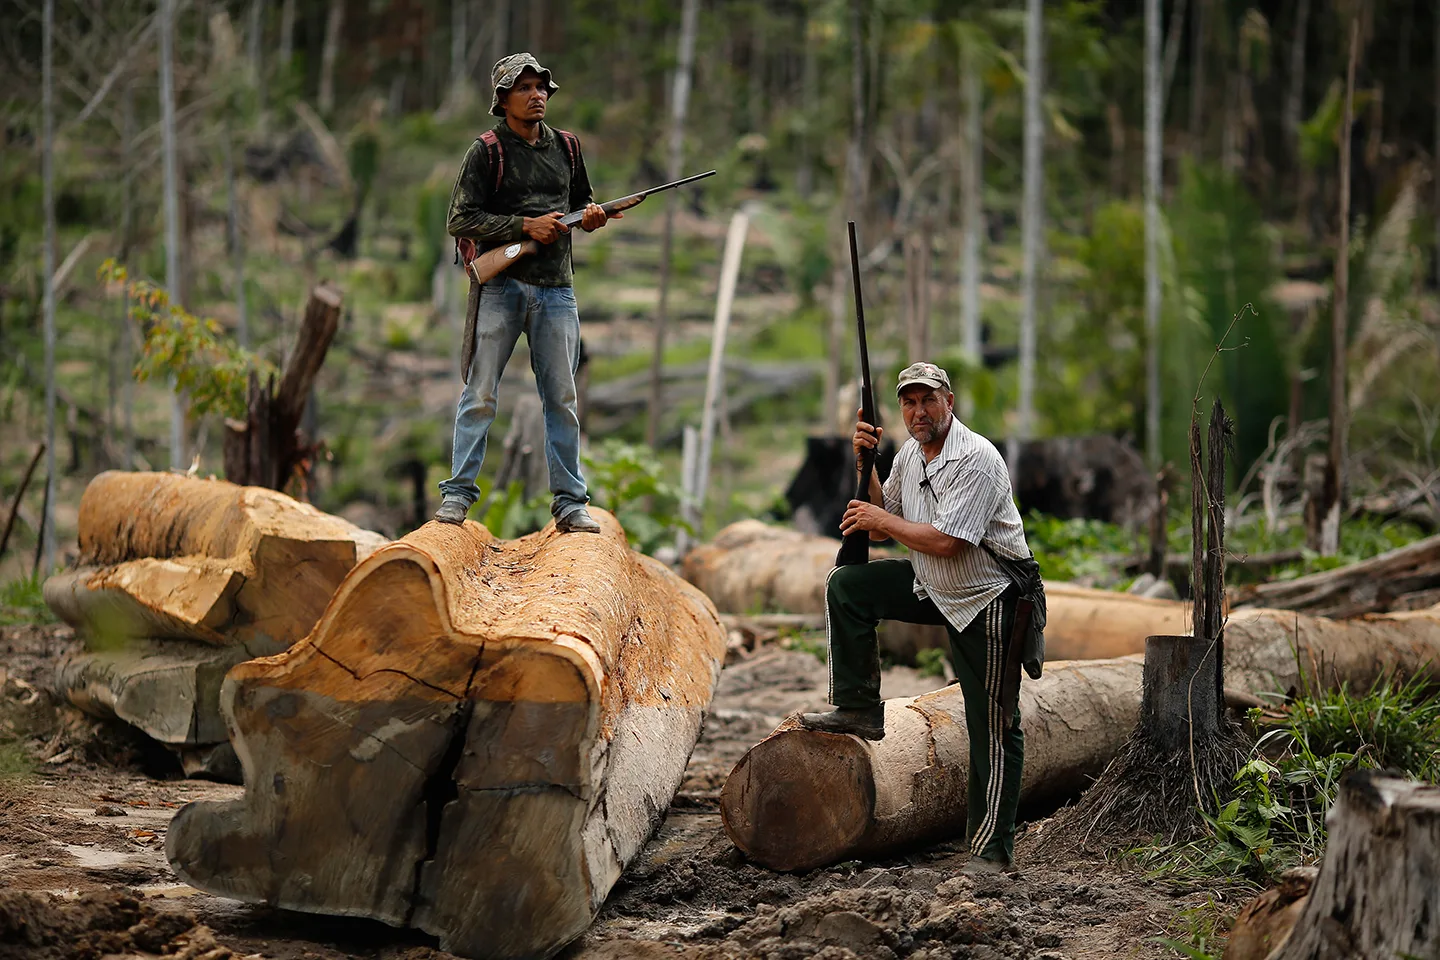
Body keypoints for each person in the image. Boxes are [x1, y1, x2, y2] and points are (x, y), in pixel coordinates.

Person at [800, 361, 1034, 874]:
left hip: (986, 597)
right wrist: (868, 465)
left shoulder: (976, 458)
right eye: (909, 402)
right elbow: (887, 527)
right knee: (848, 587)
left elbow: (949, 543)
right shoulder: (909, 454)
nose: (918, 411)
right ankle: (859, 706)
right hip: (934, 585)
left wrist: (880, 518)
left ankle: (991, 852)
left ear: (949, 402)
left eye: (928, 400)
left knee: (993, 725)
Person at [434, 53, 616, 532]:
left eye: (541, 88)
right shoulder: (487, 151)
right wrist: (524, 226)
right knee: (480, 395)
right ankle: (456, 496)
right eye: (525, 88)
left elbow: (582, 204)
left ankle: (571, 503)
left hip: (557, 289)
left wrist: (592, 216)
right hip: (502, 287)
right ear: (503, 99)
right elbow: (459, 219)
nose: (536, 96)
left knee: (561, 399)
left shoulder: (568, 148)